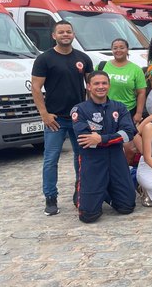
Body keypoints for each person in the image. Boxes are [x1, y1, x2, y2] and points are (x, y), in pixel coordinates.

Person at [31, 20, 93, 216]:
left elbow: (91, 87)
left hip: (78, 119)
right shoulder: (44, 59)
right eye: (61, 32)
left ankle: (80, 191)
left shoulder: (83, 58)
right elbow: (35, 87)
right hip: (55, 119)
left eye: (68, 31)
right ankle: (50, 197)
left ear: (73, 34)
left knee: (81, 157)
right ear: (54, 36)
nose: (65, 34)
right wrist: (44, 114)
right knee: (51, 159)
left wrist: (90, 112)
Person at [72, 71, 137, 223]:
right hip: (93, 161)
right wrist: (114, 137)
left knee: (127, 207)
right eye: (96, 83)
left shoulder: (119, 107)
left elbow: (128, 134)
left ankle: (105, 189)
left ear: (109, 85)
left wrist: (101, 138)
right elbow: (85, 139)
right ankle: (81, 190)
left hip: (116, 159)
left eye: (104, 83)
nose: (101, 87)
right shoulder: (79, 110)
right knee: (88, 216)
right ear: (88, 86)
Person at [100, 38, 146, 125]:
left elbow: (141, 93)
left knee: (126, 137)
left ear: (127, 49)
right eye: (115, 48)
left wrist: (139, 113)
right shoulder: (102, 66)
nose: (118, 50)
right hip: (105, 109)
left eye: (122, 47)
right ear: (112, 50)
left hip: (128, 111)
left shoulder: (136, 69)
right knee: (106, 137)